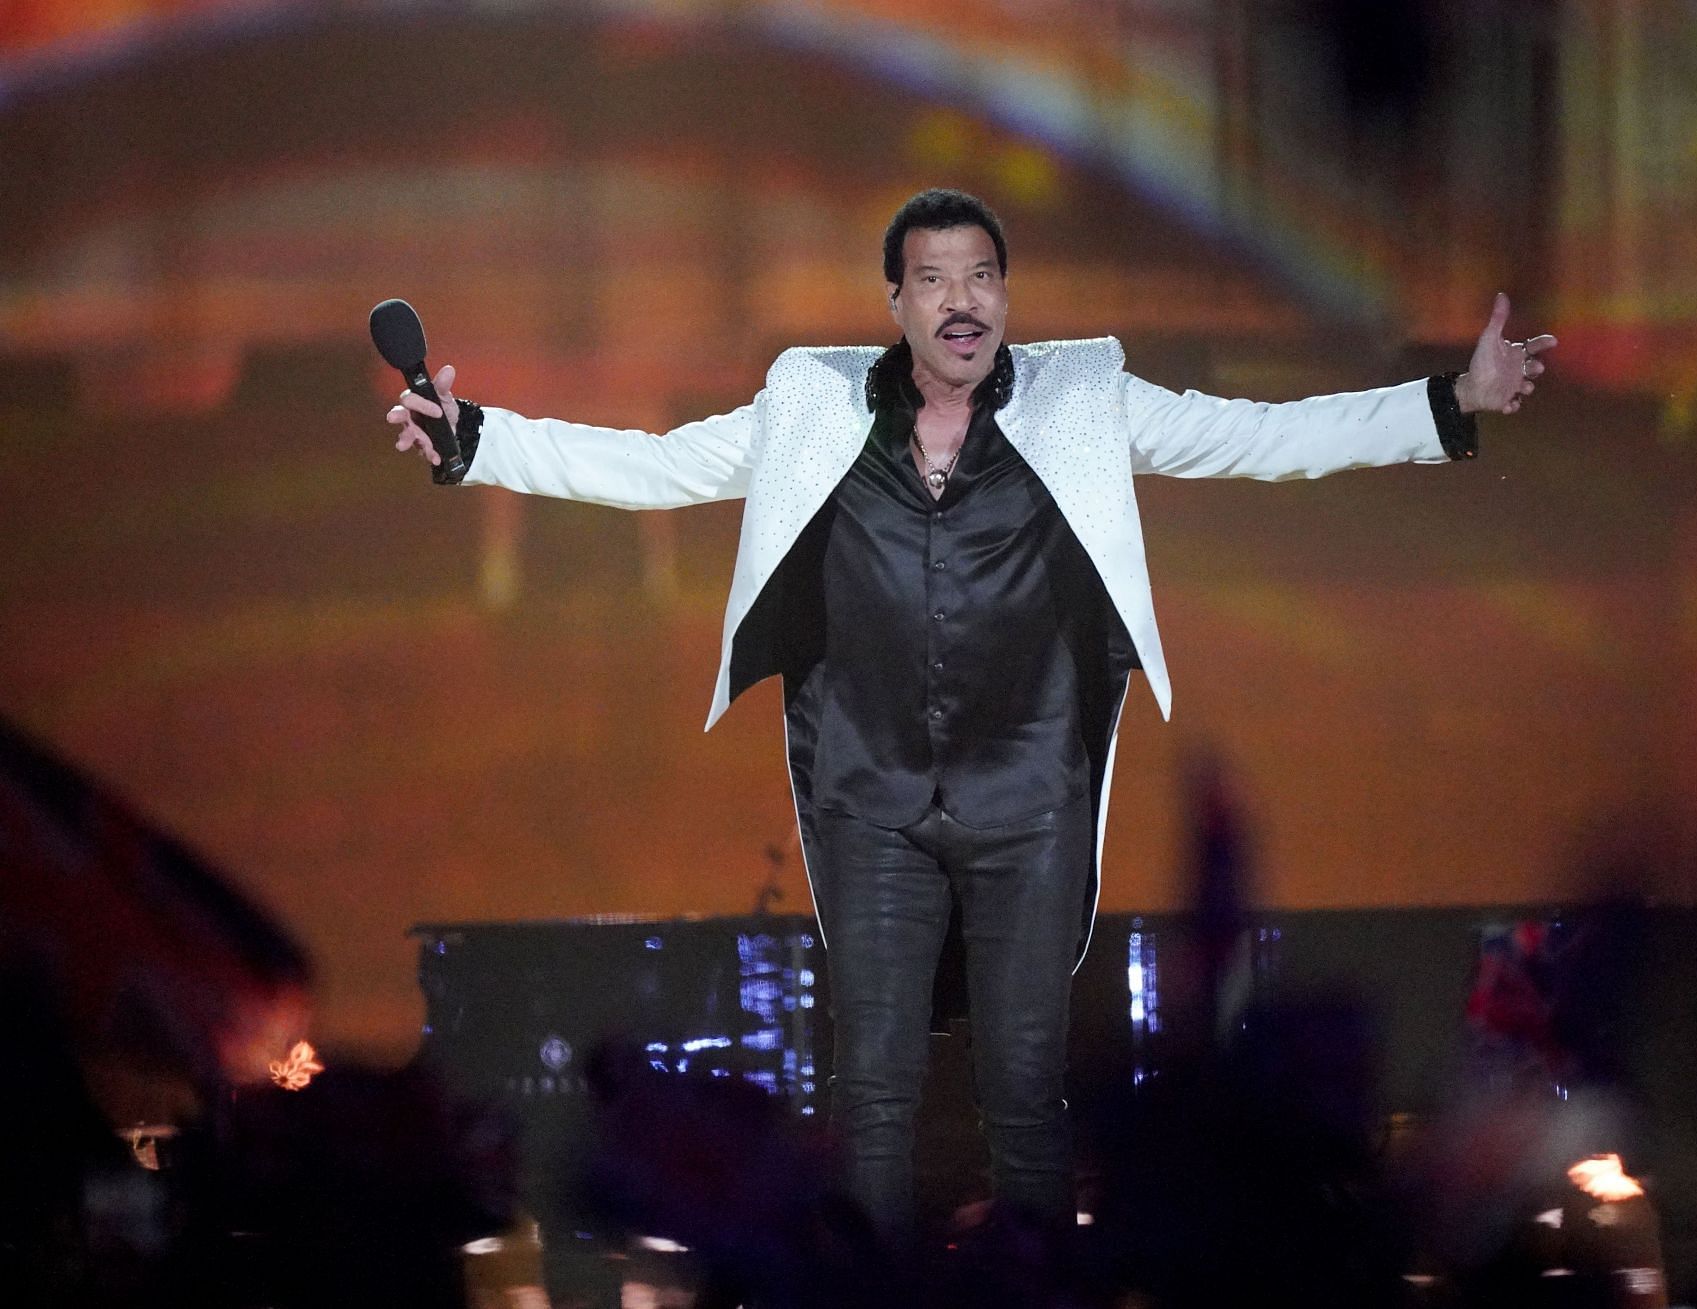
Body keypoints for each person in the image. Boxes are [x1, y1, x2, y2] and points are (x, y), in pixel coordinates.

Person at [385, 188, 1556, 1239]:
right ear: (894, 300)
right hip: (869, 797)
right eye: (935, 278)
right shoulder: (812, 399)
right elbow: (658, 465)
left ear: (1006, 295)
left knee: (1027, 1094)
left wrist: (1450, 400)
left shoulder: (1081, 396)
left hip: (1030, 797)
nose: (963, 300)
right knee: (875, 1092)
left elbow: (1256, 436)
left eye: (983, 276)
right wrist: (475, 438)